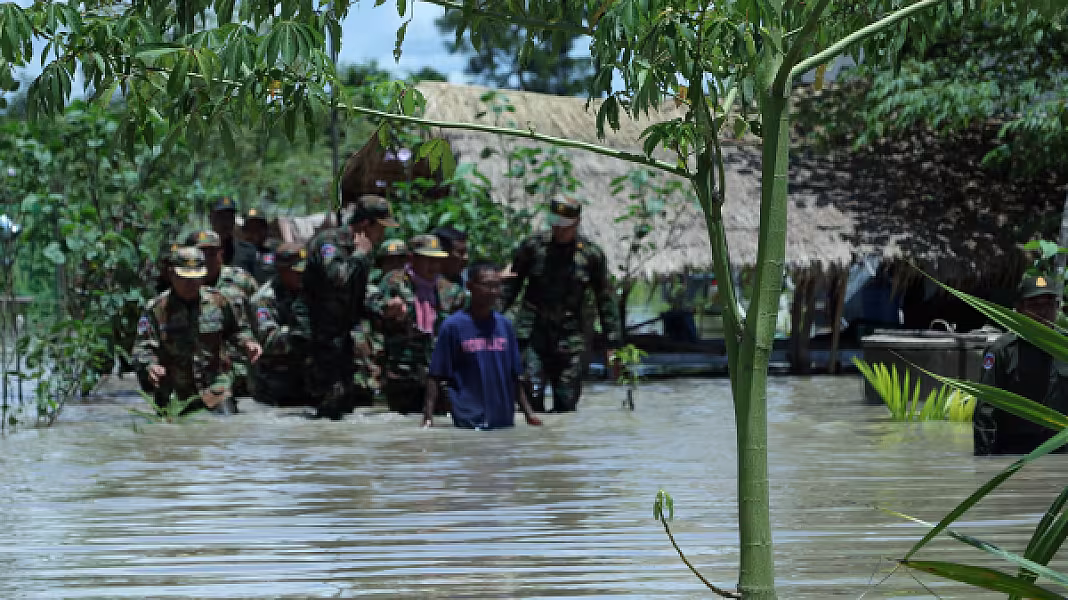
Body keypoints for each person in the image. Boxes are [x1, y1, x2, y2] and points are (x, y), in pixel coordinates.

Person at [499, 196, 622, 413]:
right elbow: (510, 287)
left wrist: (613, 344)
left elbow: (606, 299)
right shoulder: (533, 247)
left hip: (570, 337)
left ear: (576, 223)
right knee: (530, 395)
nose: (558, 229)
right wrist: (490, 321)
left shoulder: (591, 255)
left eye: (564, 225)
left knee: (566, 403)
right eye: (554, 222)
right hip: (533, 333)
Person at [296, 194, 403, 419]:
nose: (383, 234)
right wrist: (360, 255)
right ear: (365, 225)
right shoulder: (330, 243)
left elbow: (359, 293)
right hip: (318, 338)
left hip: (342, 339)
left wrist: (384, 307)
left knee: (347, 403)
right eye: (381, 228)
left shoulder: (359, 248)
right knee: (329, 407)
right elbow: (338, 278)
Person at [132, 247, 262, 416]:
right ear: (172, 274)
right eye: (185, 278)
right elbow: (142, 348)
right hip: (174, 394)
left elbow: (238, 330)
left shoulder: (220, 302)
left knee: (227, 427)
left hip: (215, 389)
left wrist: (248, 342)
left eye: (195, 278)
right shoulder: (156, 309)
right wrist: (150, 366)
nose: (190, 284)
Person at [423, 261, 542, 429]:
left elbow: (514, 377)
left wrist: (529, 414)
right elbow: (435, 376)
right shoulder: (452, 327)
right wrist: (428, 418)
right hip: (468, 421)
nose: (493, 291)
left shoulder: (505, 326)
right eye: (487, 285)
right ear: (470, 286)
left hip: (503, 420)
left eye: (497, 286)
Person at [974, 274, 1068, 456]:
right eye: (1035, 305)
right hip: (1016, 453)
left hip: (1060, 452)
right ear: (1019, 308)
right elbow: (986, 411)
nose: (1043, 312)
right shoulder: (1002, 351)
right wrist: (984, 463)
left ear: (1057, 308)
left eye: (1049, 304)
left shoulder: (1065, 348)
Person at [377, 234, 466, 414]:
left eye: (437, 260)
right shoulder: (394, 282)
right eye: (428, 260)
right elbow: (372, 306)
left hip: (437, 371)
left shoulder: (450, 290)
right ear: (412, 258)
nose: (433, 266)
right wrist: (387, 310)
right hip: (402, 370)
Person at [187, 229, 260, 398]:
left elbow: (261, 315)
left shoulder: (241, 280)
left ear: (221, 253)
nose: (206, 259)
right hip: (204, 374)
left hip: (243, 372)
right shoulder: (183, 285)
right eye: (201, 253)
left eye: (212, 253)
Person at [250, 243, 310, 407]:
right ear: (281, 270)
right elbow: (268, 340)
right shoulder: (264, 299)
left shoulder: (312, 291)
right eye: (296, 271)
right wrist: (302, 332)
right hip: (277, 384)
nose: (302, 275)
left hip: (310, 378)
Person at [209, 195, 258, 275]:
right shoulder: (201, 250)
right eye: (221, 217)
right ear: (211, 218)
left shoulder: (247, 250)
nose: (226, 222)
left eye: (229, 217)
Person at [242, 207, 275, 284]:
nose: (255, 234)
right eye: (251, 229)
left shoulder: (273, 255)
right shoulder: (237, 253)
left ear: (266, 231)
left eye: (259, 228)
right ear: (244, 232)